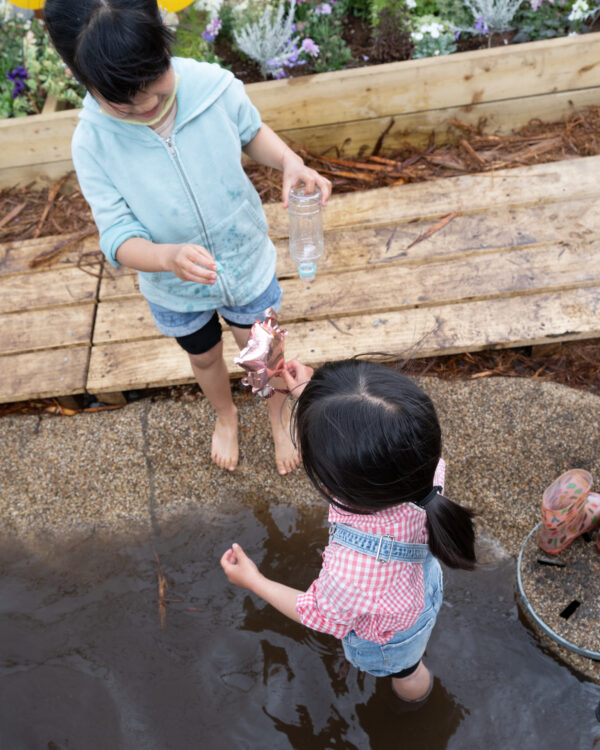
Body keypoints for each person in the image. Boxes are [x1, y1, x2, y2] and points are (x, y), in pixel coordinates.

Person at [43, 0, 331, 474]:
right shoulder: (92, 142)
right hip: (175, 287)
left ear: (162, 38)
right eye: (124, 101)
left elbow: (250, 131)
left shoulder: (210, 87)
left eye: (155, 85)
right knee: (204, 359)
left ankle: (279, 418)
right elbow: (116, 237)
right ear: (82, 77)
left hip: (244, 260)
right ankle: (226, 414)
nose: (147, 105)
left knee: (267, 353)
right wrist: (165, 256)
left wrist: (289, 162)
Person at [221, 359, 476, 702]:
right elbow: (366, 434)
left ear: (334, 482)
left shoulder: (349, 573)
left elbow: (315, 611)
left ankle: (419, 705)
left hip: (391, 637)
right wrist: (310, 397)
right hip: (422, 588)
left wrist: (254, 581)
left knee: (408, 672)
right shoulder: (421, 469)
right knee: (412, 654)